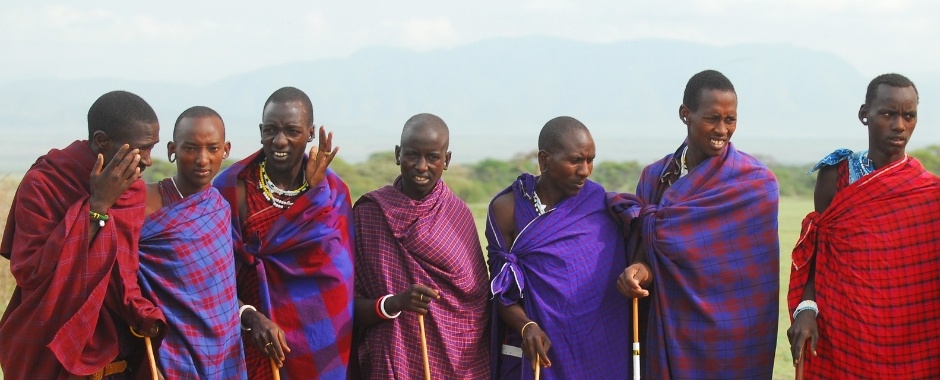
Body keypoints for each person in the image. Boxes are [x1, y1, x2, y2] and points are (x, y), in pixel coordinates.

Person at [786, 74, 940, 379]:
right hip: (845, 332)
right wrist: (807, 307)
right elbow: (818, 255)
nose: (899, 125)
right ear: (864, 114)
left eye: (909, 115)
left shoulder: (934, 195)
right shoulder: (835, 175)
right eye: (888, 114)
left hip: (914, 342)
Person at [611, 70, 780, 379]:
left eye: (730, 119)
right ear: (685, 114)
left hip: (733, 336)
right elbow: (649, 254)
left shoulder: (755, 183)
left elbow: (753, 278)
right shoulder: (655, 177)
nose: (722, 129)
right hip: (669, 323)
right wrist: (640, 272)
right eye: (712, 118)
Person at [0, 90, 166, 379]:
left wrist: (141, 311)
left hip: (117, 354)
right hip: (50, 344)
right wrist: (98, 206)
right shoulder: (44, 183)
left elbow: (124, 275)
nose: (149, 161)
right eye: (142, 149)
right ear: (102, 141)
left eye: (153, 148)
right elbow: (32, 272)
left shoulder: (133, 191)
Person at [214, 87, 355, 380]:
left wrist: (314, 194)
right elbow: (214, 273)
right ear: (260, 131)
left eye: (292, 131)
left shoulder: (332, 192)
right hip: (246, 334)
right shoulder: (231, 187)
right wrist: (248, 316)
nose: (280, 141)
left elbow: (337, 276)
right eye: (271, 130)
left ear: (310, 133)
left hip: (315, 339)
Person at [487, 116, 630, 379]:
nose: (585, 170)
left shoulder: (599, 204)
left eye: (590, 160)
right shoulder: (507, 210)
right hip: (539, 353)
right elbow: (501, 290)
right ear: (544, 160)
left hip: (597, 352)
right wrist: (526, 326)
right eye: (576, 160)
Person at [352, 113, 491, 379]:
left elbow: (475, 300)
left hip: (459, 360)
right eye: (412, 155)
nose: (421, 166)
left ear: (446, 160)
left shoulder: (457, 214)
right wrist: (396, 302)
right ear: (397, 154)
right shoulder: (370, 214)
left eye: (433, 157)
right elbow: (347, 304)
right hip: (392, 356)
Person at [135, 106, 253, 378]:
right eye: (190, 149)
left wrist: (248, 313)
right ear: (171, 149)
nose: (203, 159)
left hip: (223, 354)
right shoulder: (143, 203)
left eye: (212, 149)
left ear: (225, 150)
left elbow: (219, 296)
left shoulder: (219, 210)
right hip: (165, 352)